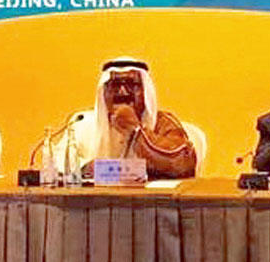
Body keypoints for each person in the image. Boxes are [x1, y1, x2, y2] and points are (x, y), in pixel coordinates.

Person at [55, 58, 198, 179]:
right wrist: (86, 168)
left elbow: (183, 164)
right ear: (104, 91)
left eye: (131, 84)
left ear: (145, 91)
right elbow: (56, 160)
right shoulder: (82, 122)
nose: (122, 92)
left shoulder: (163, 123)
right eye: (115, 85)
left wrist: (136, 130)